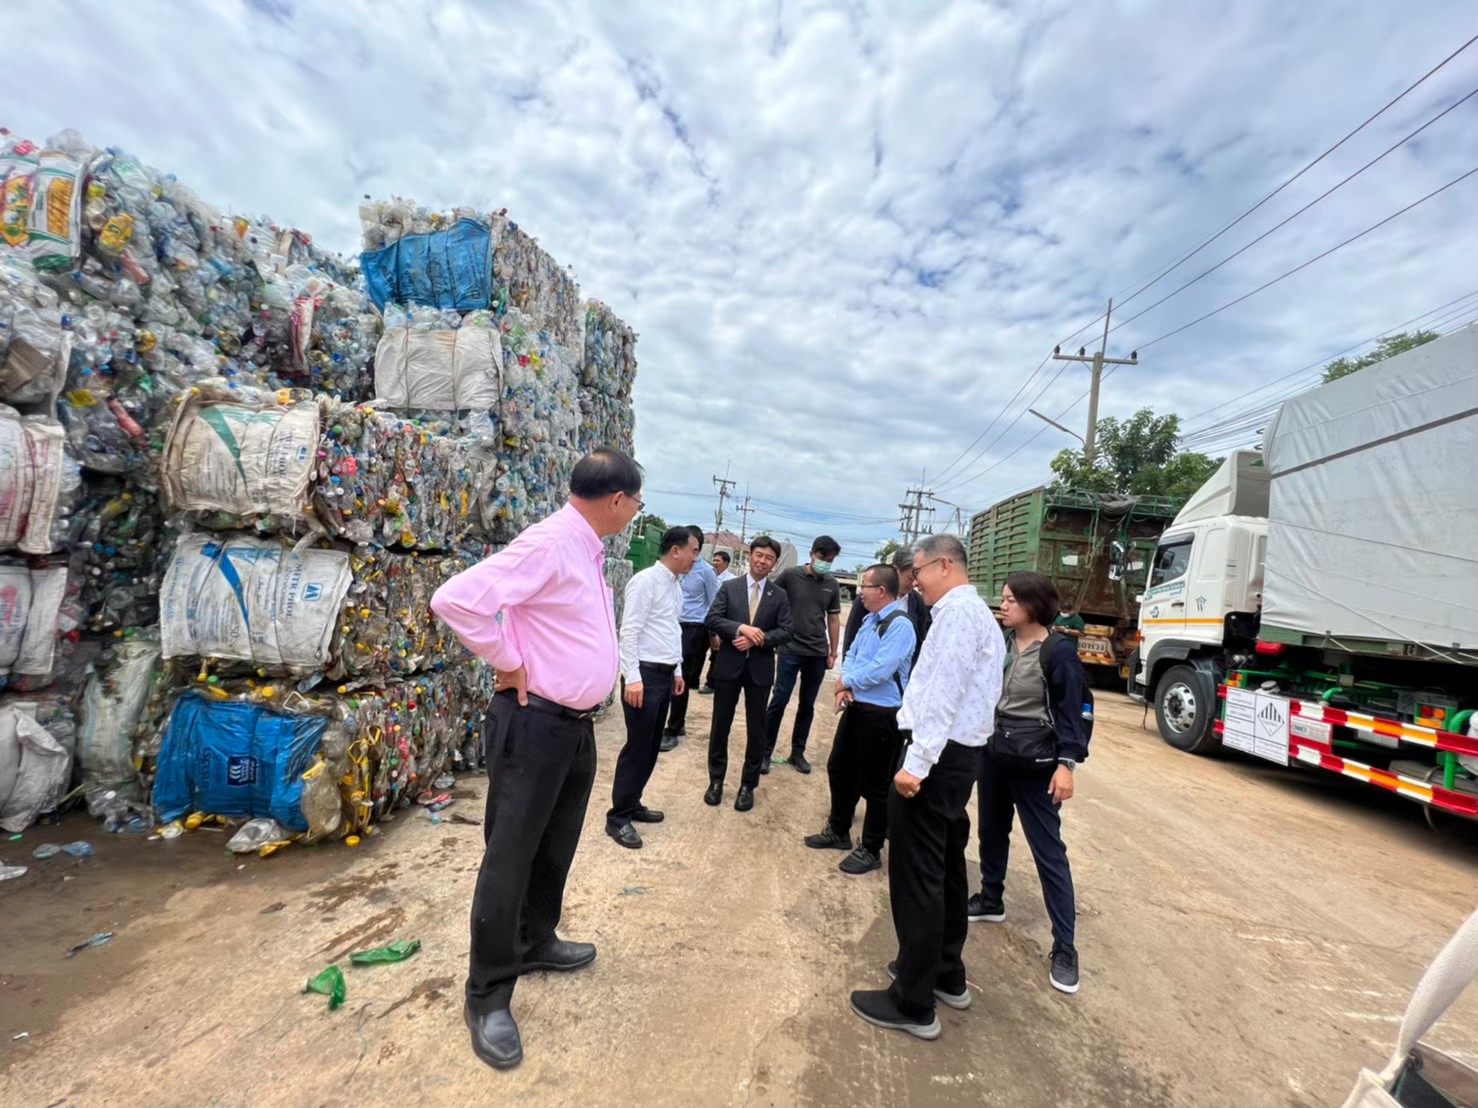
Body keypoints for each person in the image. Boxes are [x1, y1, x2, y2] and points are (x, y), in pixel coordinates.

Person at [429, 446, 643, 1071]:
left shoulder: (586, 548)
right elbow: (455, 599)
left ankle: (535, 939)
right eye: (636, 503)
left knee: (555, 845)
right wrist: (507, 658)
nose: (634, 512)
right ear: (617, 500)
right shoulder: (551, 542)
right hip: (534, 722)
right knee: (510, 858)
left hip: (573, 726)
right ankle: (488, 995)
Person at [849, 534, 1004, 1041]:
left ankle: (912, 1001)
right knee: (945, 867)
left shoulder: (958, 615)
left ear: (944, 565)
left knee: (918, 875)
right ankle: (943, 972)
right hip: (959, 755)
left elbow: (942, 693)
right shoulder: (976, 614)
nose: (914, 582)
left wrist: (915, 763)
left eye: (917, 572)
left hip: (936, 757)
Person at [969, 571, 1090, 995]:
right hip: (995, 754)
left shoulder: (1058, 653)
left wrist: (1066, 765)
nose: (1003, 606)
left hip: (1037, 764)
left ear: (1034, 606)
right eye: (1003, 599)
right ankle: (991, 897)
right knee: (991, 831)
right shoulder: (1001, 643)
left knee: (1048, 853)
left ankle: (1065, 947)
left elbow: (1074, 713)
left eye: (1011, 600)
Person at [806, 563, 915, 875]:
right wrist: (845, 684)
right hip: (857, 707)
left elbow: (882, 669)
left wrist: (846, 682)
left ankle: (871, 848)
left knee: (876, 784)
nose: (859, 592)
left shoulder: (900, 626)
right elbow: (851, 654)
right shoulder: (870, 619)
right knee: (839, 768)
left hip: (882, 715)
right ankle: (838, 829)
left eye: (864, 586)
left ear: (881, 590)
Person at [607, 526, 699, 850]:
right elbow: (629, 631)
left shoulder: (675, 585)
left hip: (664, 675)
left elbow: (670, 630)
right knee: (637, 747)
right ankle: (618, 817)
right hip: (643, 676)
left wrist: (677, 669)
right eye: (693, 551)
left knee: (650, 747)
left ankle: (632, 802)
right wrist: (632, 677)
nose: (695, 558)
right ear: (676, 551)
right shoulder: (645, 582)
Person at [704, 536, 793, 812]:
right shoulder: (729, 587)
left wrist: (758, 638)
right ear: (750, 556)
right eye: (759, 555)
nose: (762, 561)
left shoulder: (779, 595)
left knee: (757, 729)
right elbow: (713, 618)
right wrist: (741, 628)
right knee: (721, 724)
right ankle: (716, 780)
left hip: (759, 670)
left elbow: (787, 631)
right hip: (728, 666)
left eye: (769, 558)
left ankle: (747, 785)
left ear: (774, 563)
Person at [763, 536, 842, 775]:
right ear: (812, 554)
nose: (825, 563)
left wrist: (833, 652)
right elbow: (771, 599)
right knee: (779, 700)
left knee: (807, 705)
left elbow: (834, 619)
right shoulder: (790, 575)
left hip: (817, 653)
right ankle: (764, 752)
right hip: (789, 649)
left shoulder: (832, 584)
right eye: (822, 558)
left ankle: (797, 753)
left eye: (830, 560)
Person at [662, 524, 720, 751]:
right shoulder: (673, 569)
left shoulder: (706, 572)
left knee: (681, 677)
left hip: (693, 629)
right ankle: (674, 721)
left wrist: (713, 635)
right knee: (666, 672)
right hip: (671, 625)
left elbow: (714, 604)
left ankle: (674, 727)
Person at [843, 546, 931, 666]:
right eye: (910, 578)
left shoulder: (918, 602)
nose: (914, 583)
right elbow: (851, 638)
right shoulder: (867, 597)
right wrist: (847, 672)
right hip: (865, 670)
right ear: (895, 570)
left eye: (917, 577)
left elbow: (920, 641)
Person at [700, 550, 736, 695]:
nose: (714, 563)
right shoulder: (708, 575)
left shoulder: (731, 581)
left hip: (719, 621)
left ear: (726, 564)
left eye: (717, 561)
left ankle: (711, 683)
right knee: (699, 651)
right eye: (713, 560)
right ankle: (693, 679)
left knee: (716, 654)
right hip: (704, 619)